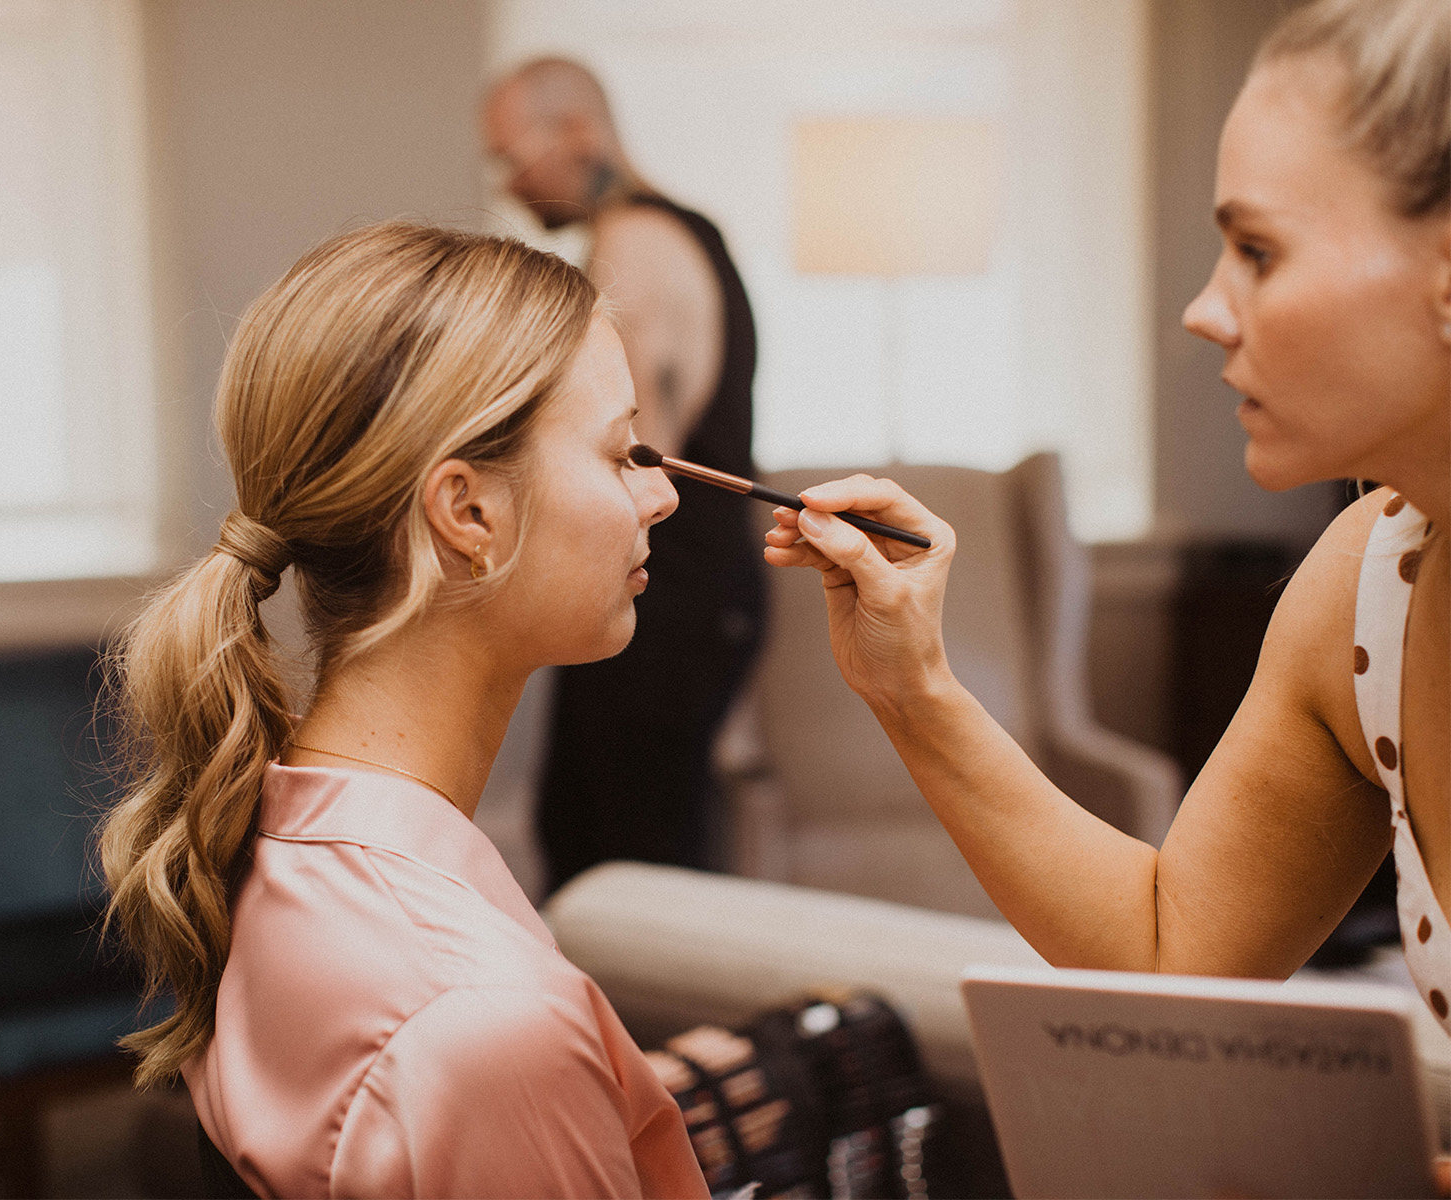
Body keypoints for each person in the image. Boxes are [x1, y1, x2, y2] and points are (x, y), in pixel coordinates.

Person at [767, 0, 1447, 997]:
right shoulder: (1361, 593)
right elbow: (1176, 948)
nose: (1205, 310)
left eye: (1258, 252)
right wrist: (910, 686)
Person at [99, 222, 708, 1199]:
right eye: (623, 451)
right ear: (467, 514)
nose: (660, 496)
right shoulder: (485, 1022)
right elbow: (465, 1061)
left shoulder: (277, 841)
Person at [483, 57, 766, 892]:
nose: (510, 184)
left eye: (512, 155)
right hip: (696, 597)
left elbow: (621, 452)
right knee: (636, 838)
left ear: (579, 131)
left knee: (620, 862)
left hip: (664, 602)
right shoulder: (694, 230)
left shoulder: (631, 246)